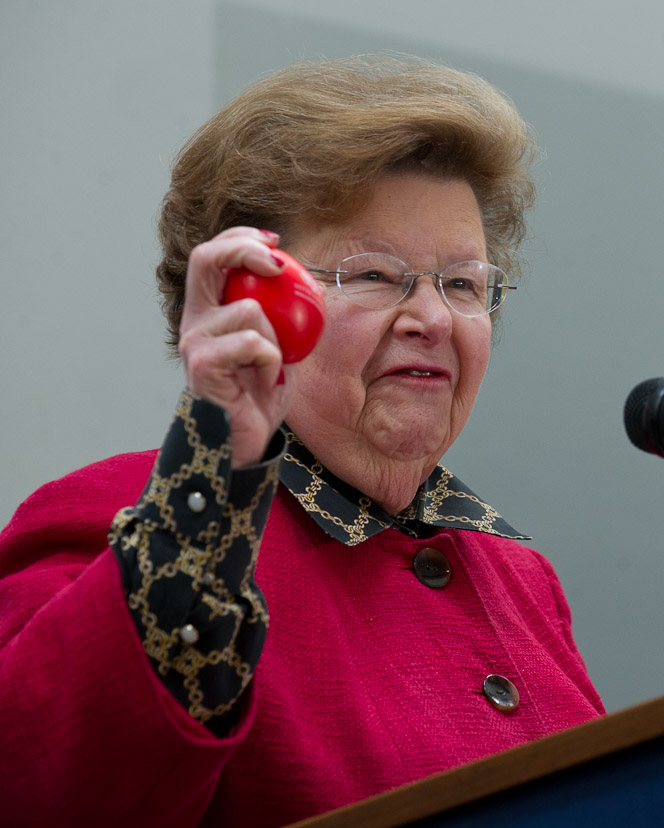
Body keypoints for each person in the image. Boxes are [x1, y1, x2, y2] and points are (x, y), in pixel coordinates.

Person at [0, 55, 604, 826]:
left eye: (461, 284)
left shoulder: (521, 579)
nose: (434, 318)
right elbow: (38, 791)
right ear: (248, 299)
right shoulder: (127, 517)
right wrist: (215, 465)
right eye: (377, 275)